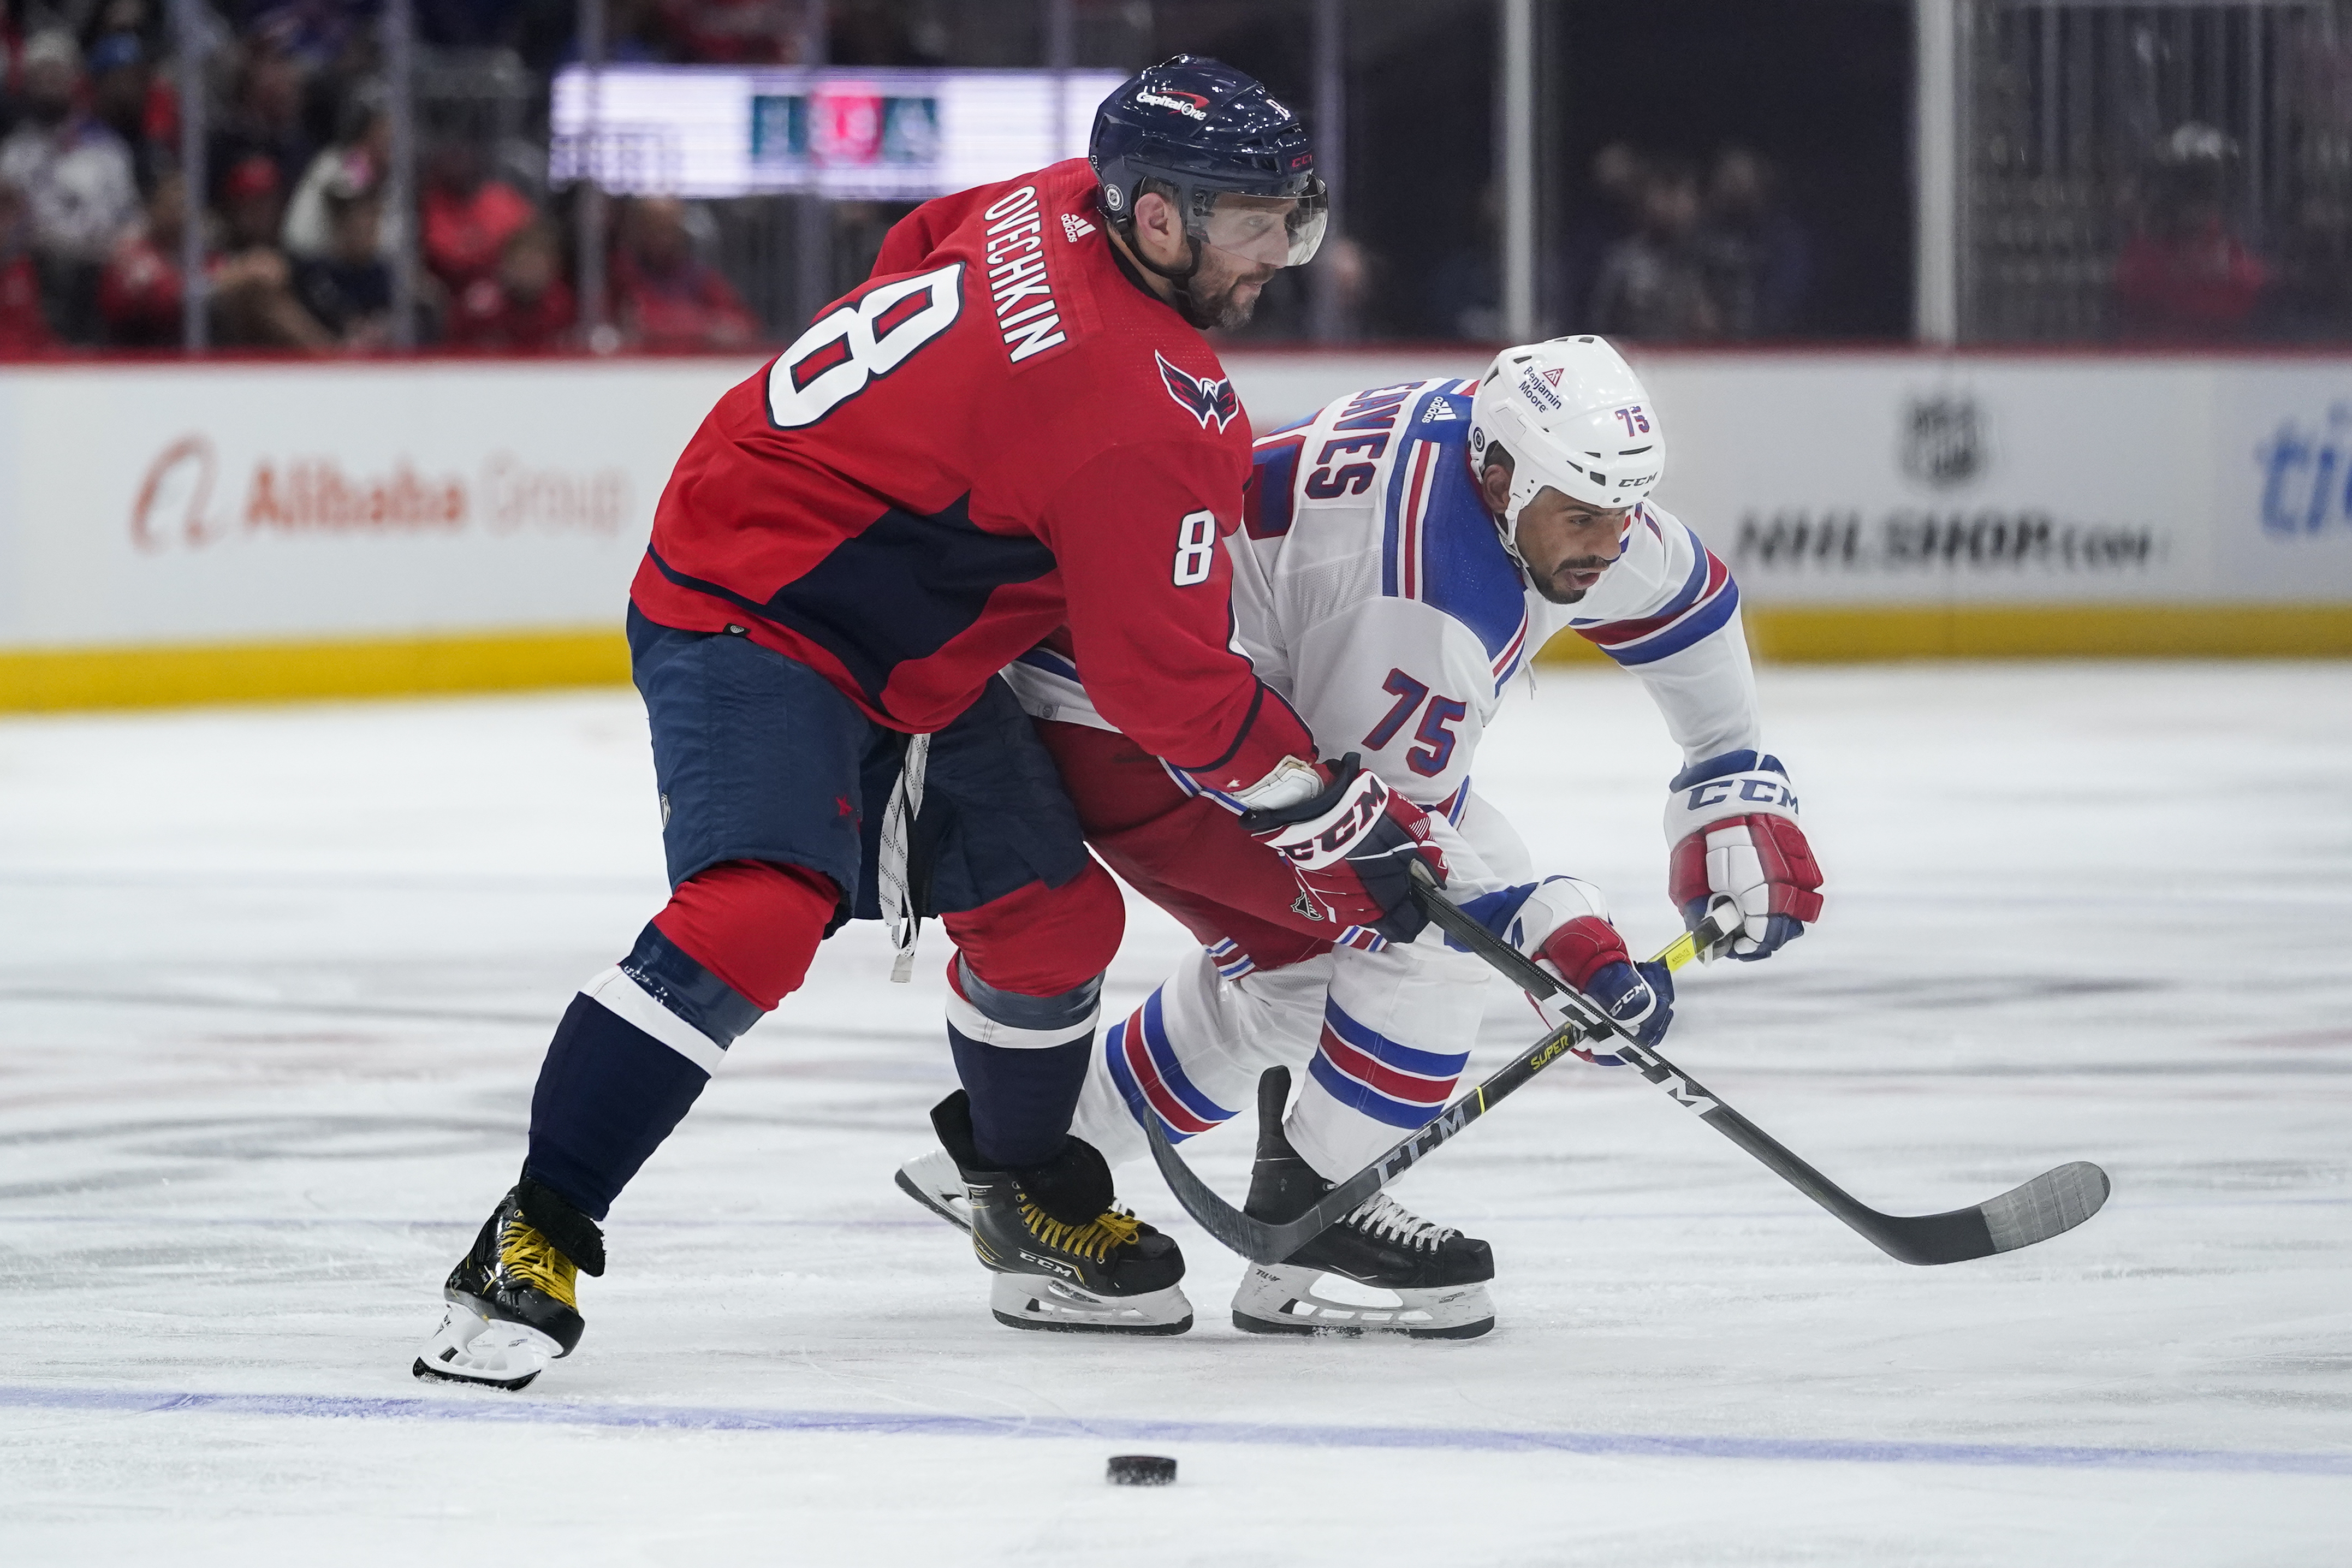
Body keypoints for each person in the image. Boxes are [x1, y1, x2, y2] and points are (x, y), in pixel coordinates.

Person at [412, 57, 1399, 1386]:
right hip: (753, 608)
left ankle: (1019, 1182)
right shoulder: (1145, 407)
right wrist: (1317, 803)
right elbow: (1161, 682)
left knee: (1053, 919)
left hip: (876, 615)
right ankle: (533, 1231)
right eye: (1249, 221)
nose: (1277, 251)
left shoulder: (1040, 198)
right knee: (756, 910)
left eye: (1292, 215)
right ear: (1153, 218)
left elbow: (907, 253)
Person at [896, 337, 1826, 1337]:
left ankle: (1023, 1163)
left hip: (1155, 679)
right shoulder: (1422, 596)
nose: (1605, 541)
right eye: (1583, 516)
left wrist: (1726, 773)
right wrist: (1568, 949)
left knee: (1301, 985)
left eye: (1622, 510)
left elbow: (1681, 597)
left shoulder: (1515, 467)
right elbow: (1379, 851)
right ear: (1504, 478)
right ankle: (1316, 1218)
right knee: (1418, 944)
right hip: (1131, 719)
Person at [0, 29, 140, 343]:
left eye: (57, 73)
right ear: (26, 82)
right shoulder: (13, 153)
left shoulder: (107, 148)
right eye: (41, 74)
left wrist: (122, 247)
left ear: (74, 80)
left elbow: (130, 218)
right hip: (38, 268)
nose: (49, 81)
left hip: (99, 265)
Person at [612, 195, 756, 350]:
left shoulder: (700, 277)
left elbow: (743, 325)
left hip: (696, 368)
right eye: (654, 228)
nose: (662, 238)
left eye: (668, 228)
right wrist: (703, 325)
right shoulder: (621, 275)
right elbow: (609, 328)